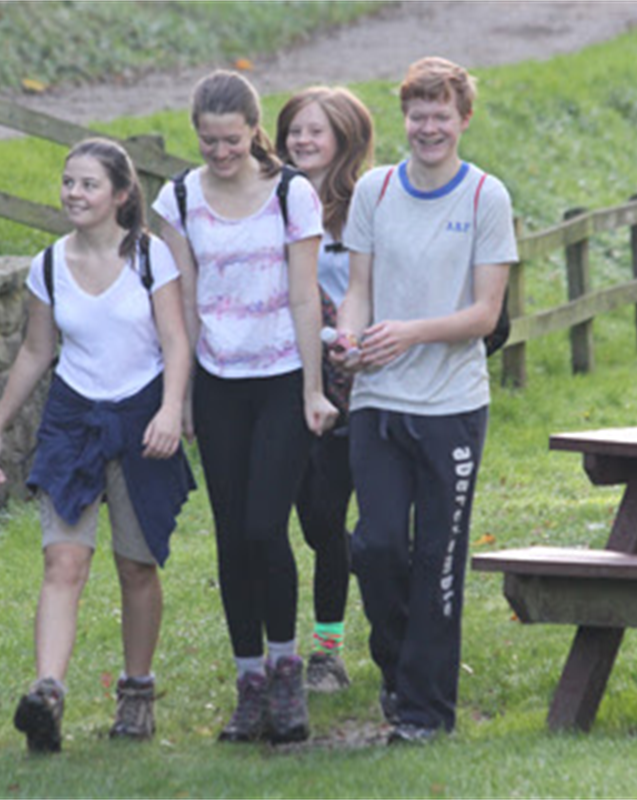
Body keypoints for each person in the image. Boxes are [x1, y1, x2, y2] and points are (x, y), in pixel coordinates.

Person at [0, 137, 195, 753]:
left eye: (88, 184)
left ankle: (136, 692)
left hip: (140, 415)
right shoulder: (48, 264)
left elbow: (176, 341)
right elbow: (35, 351)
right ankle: (47, 693)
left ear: (121, 195)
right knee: (63, 561)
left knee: (135, 563)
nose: (74, 193)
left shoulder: (153, 259)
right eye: (68, 182)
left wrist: (170, 411)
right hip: (72, 419)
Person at [333, 57, 518, 744]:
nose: (429, 127)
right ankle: (398, 668)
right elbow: (357, 288)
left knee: (439, 559)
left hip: (452, 407)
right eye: (418, 115)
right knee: (376, 546)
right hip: (378, 400)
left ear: (463, 119)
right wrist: (349, 337)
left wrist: (409, 332)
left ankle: (424, 712)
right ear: (404, 119)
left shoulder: (483, 199)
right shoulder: (375, 192)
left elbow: (484, 314)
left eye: (442, 115)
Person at [153, 70, 338, 745]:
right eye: (208, 142)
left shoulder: (292, 195)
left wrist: (315, 388)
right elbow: (183, 302)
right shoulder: (178, 198)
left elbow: (305, 297)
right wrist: (185, 397)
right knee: (232, 537)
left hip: (282, 376)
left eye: (231, 140)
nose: (220, 153)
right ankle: (250, 681)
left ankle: (289, 670)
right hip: (220, 380)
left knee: (266, 527)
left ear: (254, 131)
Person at [275, 86, 374, 693]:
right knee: (309, 525)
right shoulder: (271, 205)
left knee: (325, 511)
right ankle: (379, 560)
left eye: (316, 131)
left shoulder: (364, 206)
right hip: (280, 379)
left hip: (350, 385)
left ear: (345, 139)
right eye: (294, 130)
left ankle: (328, 650)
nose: (303, 141)